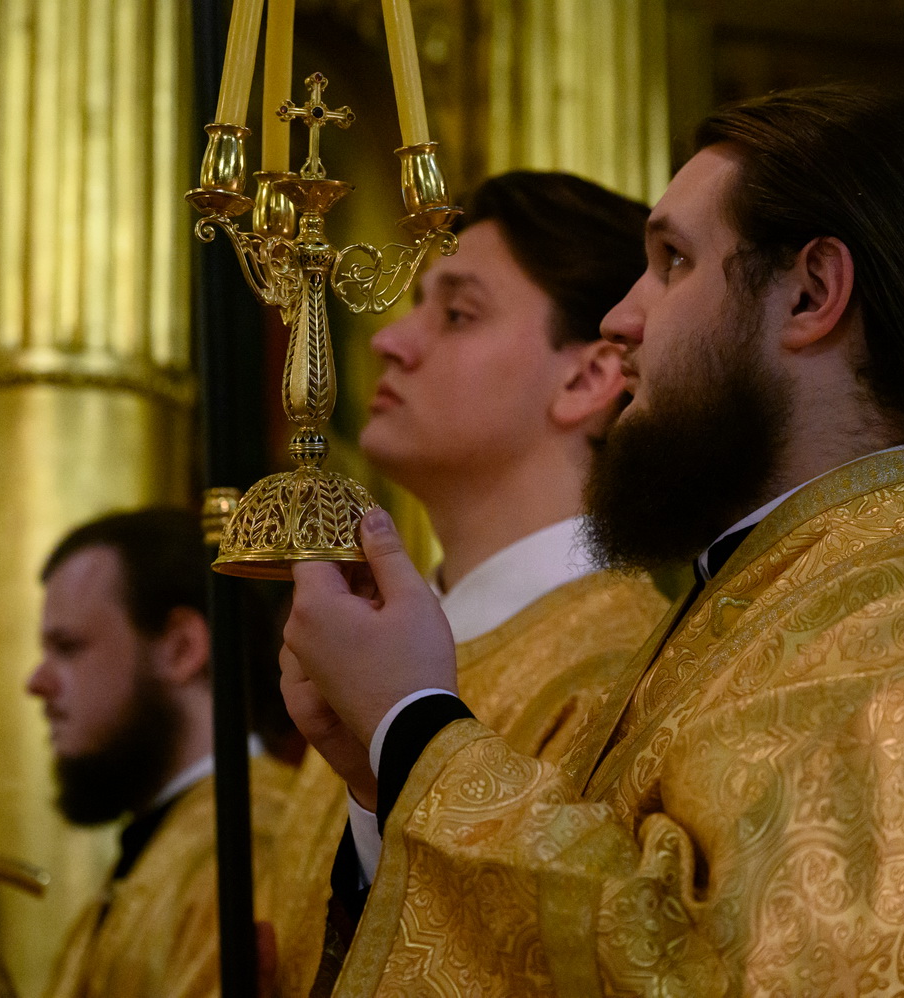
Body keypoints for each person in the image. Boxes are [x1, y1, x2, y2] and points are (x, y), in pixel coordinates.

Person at [280, 86, 904, 995]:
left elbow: (739, 976)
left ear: (812, 293)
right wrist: (385, 774)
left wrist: (415, 728)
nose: (621, 320)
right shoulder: (762, 600)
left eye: (672, 262)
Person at [267, 172, 670, 997]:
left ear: (588, 379)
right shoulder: (365, 662)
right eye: (416, 304)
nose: (391, 341)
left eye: (457, 314)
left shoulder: (632, 672)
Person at [26, 508, 295, 998]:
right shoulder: (158, 849)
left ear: (180, 648)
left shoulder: (251, 848)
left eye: (67, 647)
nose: (37, 682)